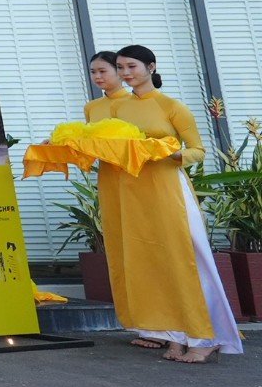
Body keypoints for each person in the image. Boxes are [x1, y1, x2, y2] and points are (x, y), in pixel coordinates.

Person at [101, 45, 243, 364]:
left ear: (151, 67)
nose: (125, 73)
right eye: (120, 67)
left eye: (132, 66)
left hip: (168, 189)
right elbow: (111, 148)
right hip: (133, 191)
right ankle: (174, 335)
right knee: (153, 261)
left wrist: (173, 154)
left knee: (184, 259)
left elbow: (198, 150)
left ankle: (205, 337)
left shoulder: (172, 106)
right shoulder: (118, 108)